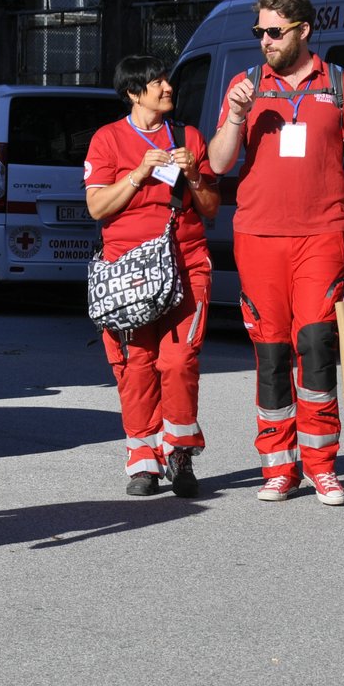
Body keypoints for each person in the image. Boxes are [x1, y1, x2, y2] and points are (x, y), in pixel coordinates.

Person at [206, 0, 344, 506]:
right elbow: (217, 164)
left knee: (316, 345)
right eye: (258, 31)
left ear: (302, 31)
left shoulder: (340, 84)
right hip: (257, 237)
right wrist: (237, 117)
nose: (264, 40)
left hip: (322, 234)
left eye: (274, 32)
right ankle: (278, 467)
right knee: (272, 352)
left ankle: (322, 464)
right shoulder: (244, 85)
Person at [84, 56, 221, 497]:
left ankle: (179, 452)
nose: (167, 87)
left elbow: (211, 208)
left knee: (179, 361)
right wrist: (139, 173)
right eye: (157, 82)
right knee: (135, 365)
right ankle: (143, 461)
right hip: (127, 272)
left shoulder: (188, 137)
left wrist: (195, 174)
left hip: (185, 264)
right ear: (133, 92)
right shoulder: (107, 140)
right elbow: (98, 208)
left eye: (166, 80)